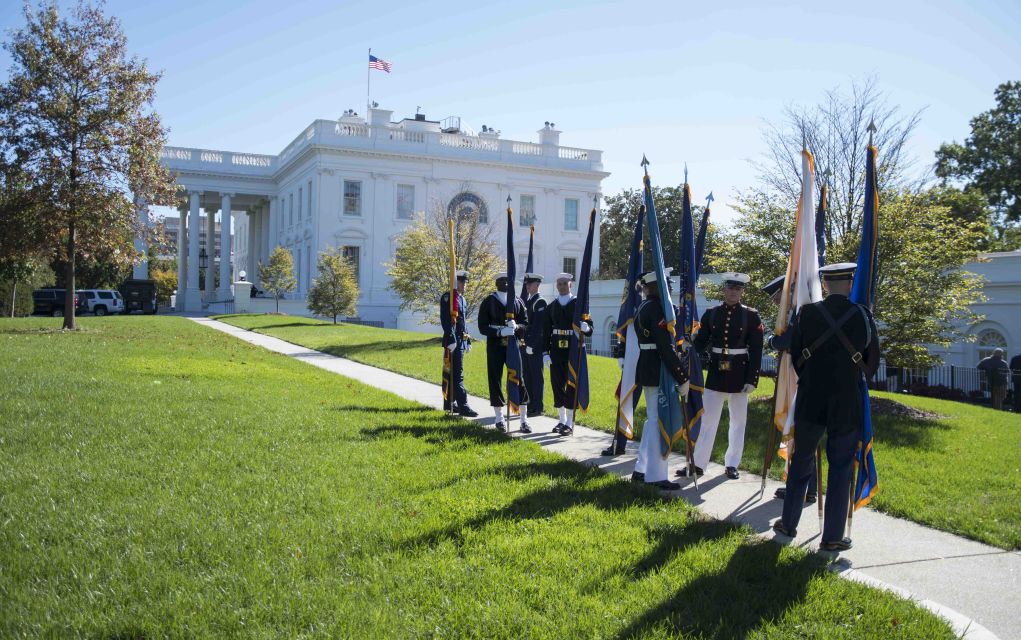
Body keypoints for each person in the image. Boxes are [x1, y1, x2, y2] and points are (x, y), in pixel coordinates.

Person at [772, 262, 880, 552]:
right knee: (841, 467)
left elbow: (796, 355)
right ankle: (832, 536)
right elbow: (872, 365)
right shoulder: (862, 315)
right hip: (846, 401)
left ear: (827, 284)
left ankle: (788, 523)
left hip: (811, 397)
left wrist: (811, 378)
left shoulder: (808, 314)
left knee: (801, 461)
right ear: (849, 284)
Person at [677, 272, 763, 480]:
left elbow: (757, 350)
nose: (733, 292)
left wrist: (752, 379)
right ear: (724, 289)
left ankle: (732, 464)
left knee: (738, 422)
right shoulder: (712, 313)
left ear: (742, 291)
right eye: (730, 288)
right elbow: (701, 342)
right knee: (708, 420)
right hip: (716, 372)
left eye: (738, 288)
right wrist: (689, 343)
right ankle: (698, 464)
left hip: (740, 374)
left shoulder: (751, 316)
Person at [631, 270, 691, 490]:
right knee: (658, 421)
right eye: (667, 284)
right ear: (658, 286)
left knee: (652, 419)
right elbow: (665, 348)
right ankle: (655, 476)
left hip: (649, 366)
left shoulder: (645, 306)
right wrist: (682, 376)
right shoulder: (656, 309)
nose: (671, 287)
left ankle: (641, 468)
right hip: (657, 367)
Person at [761, 274, 816, 505]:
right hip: (797, 371)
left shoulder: (803, 311)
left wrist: (773, 340)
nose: (777, 303)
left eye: (779, 297)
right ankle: (805, 486)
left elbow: (787, 342)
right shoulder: (798, 311)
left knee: (798, 430)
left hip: (799, 373)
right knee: (799, 432)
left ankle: (802, 487)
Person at [477, 272, 530, 432]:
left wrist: (517, 327)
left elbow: (526, 324)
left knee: (518, 379)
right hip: (495, 346)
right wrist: (500, 332)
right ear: (496, 282)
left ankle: (523, 420)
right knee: (495, 379)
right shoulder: (489, 301)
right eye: (501, 280)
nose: (505, 283)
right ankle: (499, 418)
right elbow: (482, 326)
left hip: (513, 346)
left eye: (508, 280)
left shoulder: (517, 302)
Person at [542, 272, 593, 435]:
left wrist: (587, 328)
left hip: (572, 350)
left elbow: (590, 326)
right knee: (557, 385)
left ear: (570, 284)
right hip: (556, 350)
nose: (562, 286)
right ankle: (561, 420)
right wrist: (545, 352)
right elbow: (546, 331)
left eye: (565, 283)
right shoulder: (552, 306)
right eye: (559, 283)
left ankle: (570, 422)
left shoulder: (579, 304)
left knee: (571, 385)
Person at [439, 270, 477, 417]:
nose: (464, 285)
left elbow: (463, 322)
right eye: (462, 282)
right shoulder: (448, 297)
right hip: (452, 342)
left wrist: (467, 340)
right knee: (454, 374)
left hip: (460, 341)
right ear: (456, 282)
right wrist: (451, 338)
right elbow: (445, 320)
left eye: (465, 282)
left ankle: (450, 403)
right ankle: (463, 405)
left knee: (455, 373)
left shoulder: (462, 299)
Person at [521, 273, 547, 418]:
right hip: (526, 345)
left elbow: (538, 327)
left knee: (536, 377)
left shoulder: (540, 302)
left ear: (537, 285)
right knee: (527, 376)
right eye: (526, 284)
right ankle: (531, 404)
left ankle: (538, 406)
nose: (527, 286)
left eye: (529, 284)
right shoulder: (528, 301)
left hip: (534, 347)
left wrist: (531, 344)